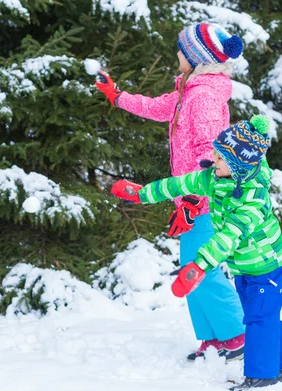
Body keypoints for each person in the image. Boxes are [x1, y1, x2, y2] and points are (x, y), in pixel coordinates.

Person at [110, 115, 282, 391]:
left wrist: (200, 266)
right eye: (216, 151)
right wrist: (142, 193)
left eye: (222, 157)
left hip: (266, 264)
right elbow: (179, 185)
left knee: (259, 317)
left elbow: (228, 237)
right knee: (260, 313)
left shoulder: (251, 199)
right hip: (245, 265)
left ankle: (262, 375)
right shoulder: (214, 178)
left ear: (238, 166)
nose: (213, 158)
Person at [95, 22, 246, 362]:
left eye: (182, 49)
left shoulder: (204, 98)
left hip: (205, 202)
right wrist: (117, 96)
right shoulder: (188, 93)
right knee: (190, 267)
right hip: (191, 200)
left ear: (196, 58)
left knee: (200, 268)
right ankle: (212, 337)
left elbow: (210, 155)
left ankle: (236, 334)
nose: (177, 53)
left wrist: (193, 202)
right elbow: (154, 107)